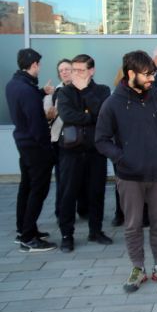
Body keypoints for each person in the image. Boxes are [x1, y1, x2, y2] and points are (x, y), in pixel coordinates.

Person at [95, 50, 157, 293]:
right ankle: (137, 268)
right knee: (132, 225)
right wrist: (123, 158)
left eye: (153, 74)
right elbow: (101, 140)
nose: (151, 79)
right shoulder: (112, 103)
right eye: (146, 75)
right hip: (129, 177)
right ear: (130, 74)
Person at [56, 54, 112, 252]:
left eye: (80, 70)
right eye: (74, 70)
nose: (75, 74)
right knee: (68, 193)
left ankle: (95, 231)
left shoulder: (102, 90)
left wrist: (85, 92)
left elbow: (103, 113)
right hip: (71, 151)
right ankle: (66, 235)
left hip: (96, 150)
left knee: (96, 191)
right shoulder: (64, 92)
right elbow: (67, 115)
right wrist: (90, 117)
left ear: (91, 71)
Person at [6, 48, 56, 252]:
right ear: (34, 64)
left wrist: (42, 92)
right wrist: (47, 147)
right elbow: (37, 123)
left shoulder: (15, 84)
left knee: (26, 187)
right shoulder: (26, 90)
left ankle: (24, 230)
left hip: (23, 144)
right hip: (36, 147)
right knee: (38, 190)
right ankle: (29, 237)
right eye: (39, 64)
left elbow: (26, 101)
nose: (40, 67)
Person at [46, 58, 73, 220]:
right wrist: (49, 116)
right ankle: (61, 212)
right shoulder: (53, 92)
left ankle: (83, 208)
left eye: (67, 69)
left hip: (79, 139)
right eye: (61, 70)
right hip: (60, 140)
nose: (64, 72)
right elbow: (46, 116)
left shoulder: (81, 89)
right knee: (63, 180)